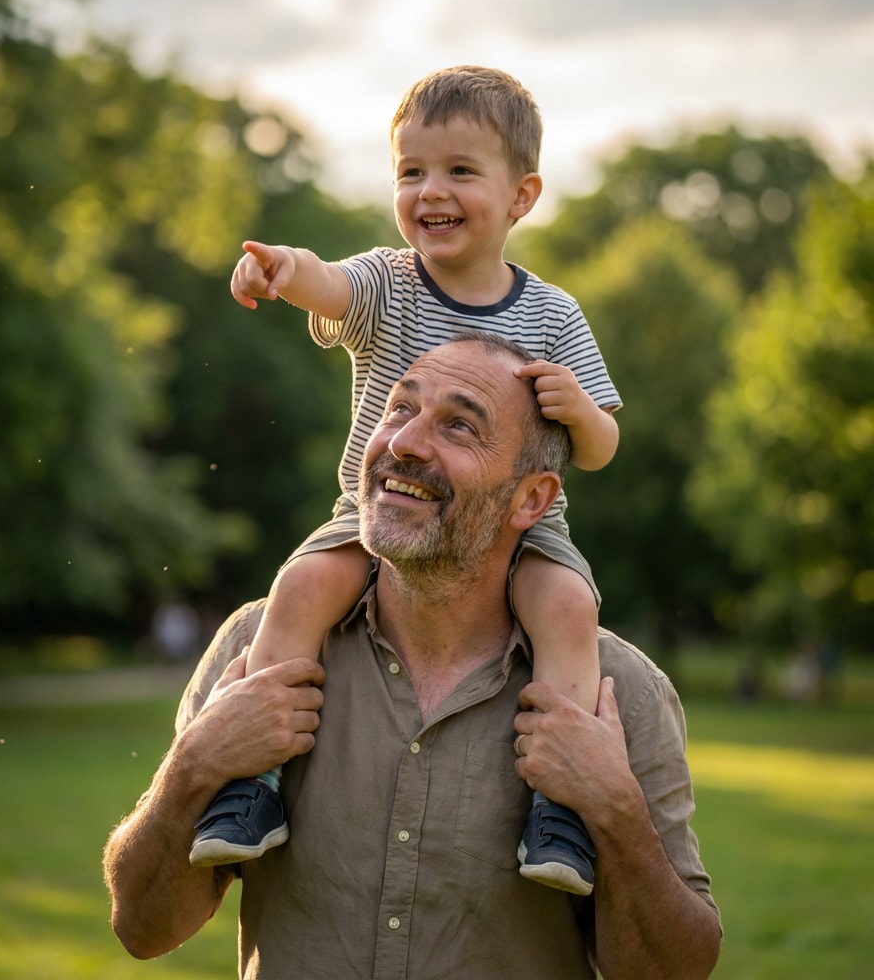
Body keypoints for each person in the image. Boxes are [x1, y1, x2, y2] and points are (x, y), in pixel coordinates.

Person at [103, 334, 722, 979]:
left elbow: (675, 971)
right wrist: (193, 765)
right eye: (399, 409)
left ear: (532, 499)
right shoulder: (259, 651)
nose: (403, 442)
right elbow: (145, 928)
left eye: (460, 426)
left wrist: (616, 811)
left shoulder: (617, 695)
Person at [192, 65, 622, 895]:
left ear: (522, 195)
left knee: (569, 609)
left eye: (460, 170)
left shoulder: (553, 315)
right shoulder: (389, 283)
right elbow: (329, 281)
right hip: (378, 513)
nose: (432, 191)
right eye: (411, 171)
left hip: (519, 525)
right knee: (301, 586)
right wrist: (282, 267)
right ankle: (252, 785)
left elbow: (600, 448)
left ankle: (559, 811)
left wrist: (578, 411)